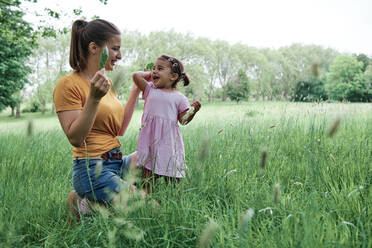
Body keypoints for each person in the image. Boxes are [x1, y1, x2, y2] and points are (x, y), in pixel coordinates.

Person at [53, 19, 140, 221]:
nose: (120, 55)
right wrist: (93, 98)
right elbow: (75, 138)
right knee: (148, 209)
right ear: (94, 48)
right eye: (115, 49)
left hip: (116, 161)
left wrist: (136, 90)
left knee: (156, 159)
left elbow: (119, 129)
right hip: (91, 168)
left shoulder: (106, 83)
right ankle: (84, 202)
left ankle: (92, 201)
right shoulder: (67, 85)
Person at [132, 54, 201, 193]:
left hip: (169, 142)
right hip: (150, 141)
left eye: (160, 68)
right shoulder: (150, 89)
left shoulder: (179, 98)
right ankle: (147, 201)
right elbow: (136, 76)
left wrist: (192, 112)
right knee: (147, 174)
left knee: (173, 174)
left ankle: (176, 200)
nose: (154, 71)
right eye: (153, 68)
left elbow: (183, 120)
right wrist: (150, 73)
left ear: (173, 76)